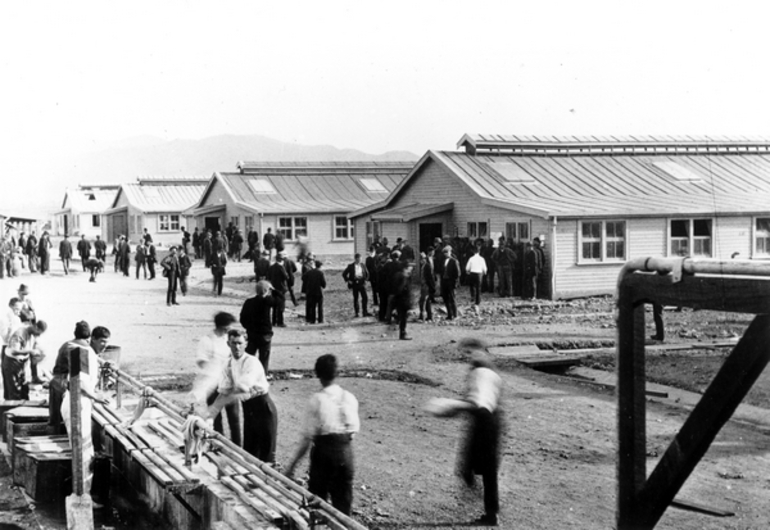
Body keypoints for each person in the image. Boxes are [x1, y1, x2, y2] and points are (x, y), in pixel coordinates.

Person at [428, 338, 503, 526]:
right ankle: (490, 511)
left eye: (470, 353)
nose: (468, 357)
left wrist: (449, 406)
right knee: (487, 469)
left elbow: (477, 404)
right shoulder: (490, 372)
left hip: (484, 419)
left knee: (473, 466)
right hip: (491, 420)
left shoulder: (480, 373)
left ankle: (483, 503)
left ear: (480, 352)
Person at [285, 354, 359, 515]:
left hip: (324, 457)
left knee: (317, 502)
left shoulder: (316, 401)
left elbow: (306, 440)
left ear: (317, 375)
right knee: (343, 505)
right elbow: (352, 432)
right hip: (346, 455)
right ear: (337, 373)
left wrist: (291, 466)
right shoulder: (349, 398)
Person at [208, 330, 277, 463]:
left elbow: (241, 387)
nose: (237, 347)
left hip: (263, 409)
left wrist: (223, 400)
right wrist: (209, 416)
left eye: (240, 343)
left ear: (246, 344)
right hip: (249, 410)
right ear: (228, 344)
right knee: (250, 453)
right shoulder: (228, 364)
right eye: (233, 343)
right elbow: (224, 391)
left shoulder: (252, 362)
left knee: (267, 454)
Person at [60, 328, 110, 497]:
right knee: (84, 453)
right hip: (77, 404)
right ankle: (82, 496)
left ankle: (81, 493)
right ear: (93, 339)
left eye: (107, 342)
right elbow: (80, 382)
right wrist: (96, 396)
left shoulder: (89, 353)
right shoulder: (86, 352)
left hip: (78, 403)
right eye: (102, 341)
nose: (105, 345)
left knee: (82, 451)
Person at [191, 312, 236, 436]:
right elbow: (201, 361)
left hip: (229, 382)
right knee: (215, 417)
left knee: (234, 417)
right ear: (222, 327)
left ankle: (237, 445)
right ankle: (217, 442)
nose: (230, 329)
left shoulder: (228, 339)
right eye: (228, 327)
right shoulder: (207, 340)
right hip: (213, 384)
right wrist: (214, 366)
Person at [50, 321, 92, 430]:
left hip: (56, 381)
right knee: (66, 417)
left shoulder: (66, 344)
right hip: (65, 383)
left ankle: (53, 435)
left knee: (55, 418)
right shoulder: (82, 347)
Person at [2, 320, 47, 400]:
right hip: (11, 363)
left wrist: (41, 355)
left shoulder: (32, 335)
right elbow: (13, 351)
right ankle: (13, 410)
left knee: (24, 391)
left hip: (21, 365)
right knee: (14, 392)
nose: (39, 335)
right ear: (35, 327)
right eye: (39, 333)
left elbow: (36, 347)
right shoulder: (20, 333)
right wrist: (30, 351)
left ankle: (23, 408)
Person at [240, 280, 278, 372]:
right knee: (264, 359)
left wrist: (248, 327)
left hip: (252, 334)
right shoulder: (268, 301)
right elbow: (281, 301)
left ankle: (247, 375)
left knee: (249, 357)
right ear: (267, 291)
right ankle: (262, 378)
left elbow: (242, 318)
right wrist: (274, 290)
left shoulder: (249, 302)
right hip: (265, 334)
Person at [342, 253, 370, 318]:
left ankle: (365, 311)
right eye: (358, 259)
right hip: (354, 283)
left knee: (365, 297)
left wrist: (366, 280)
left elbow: (367, 273)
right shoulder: (351, 266)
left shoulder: (363, 265)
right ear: (355, 259)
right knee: (356, 298)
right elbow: (344, 274)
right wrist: (348, 280)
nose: (359, 260)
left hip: (362, 282)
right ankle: (357, 312)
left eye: (360, 259)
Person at [393, 261, 415, 340]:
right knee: (403, 317)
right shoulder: (403, 277)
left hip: (400, 300)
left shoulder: (399, 275)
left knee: (402, 317)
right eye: (410, 267)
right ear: (405, 268)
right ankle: (403, 333)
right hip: (403, 300)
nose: (411, 268)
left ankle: (402, 332)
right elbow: (401, 289)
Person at [267, 252, 289, 327]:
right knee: (281, 306)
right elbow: (286, 277)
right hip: (281, 288)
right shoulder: (281, 267)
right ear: (281, 260)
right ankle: (280, 322)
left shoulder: (272, 267)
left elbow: (268, 277)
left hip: (273, 288)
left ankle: (273, 321)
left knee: (274, 305)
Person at [441, 246, 461, 320]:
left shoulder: (454, 261)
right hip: (444, 282)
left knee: (452, 299)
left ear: (450, 252)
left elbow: (457, 274)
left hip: (451, 282)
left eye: (447, 252)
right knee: (446, 298)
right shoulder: (444, 261)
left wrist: (455, 283)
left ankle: (455, 315)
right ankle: (449, 314)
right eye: (444, 253)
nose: (446, 254)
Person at [304, 260, 326, 324]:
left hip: (311, 291)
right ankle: (320, 319)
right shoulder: (320, 273)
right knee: (320, 307)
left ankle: (312, 320)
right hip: (319, 292)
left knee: (312, 306)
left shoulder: (309, 272)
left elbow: (303, 277)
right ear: (320, 266)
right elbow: (324, 284)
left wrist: (308, 284)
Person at [419, 247, 436, 322]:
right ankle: (429, 316)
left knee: (423, 301)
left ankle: (423, 316)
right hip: (423, 286)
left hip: (426, 286)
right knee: (427, 301)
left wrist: (432, 287)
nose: (421, 261)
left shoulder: (427, 267)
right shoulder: (423, 266)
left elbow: (430, 278)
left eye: (422, 259)